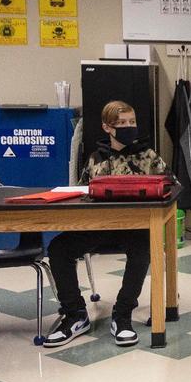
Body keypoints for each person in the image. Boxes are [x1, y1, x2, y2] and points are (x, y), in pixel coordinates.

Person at [44, 101, 167, 348]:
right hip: (98, 226)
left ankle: (122, 315)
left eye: (131, 122)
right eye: (121, 124)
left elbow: (170, 186)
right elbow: (81, 191)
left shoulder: (149, 156)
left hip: (134, 228)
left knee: (143, 250)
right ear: (107, 128)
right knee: (58, 248)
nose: (128, 127)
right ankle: (75, 314)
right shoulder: (95, 158)